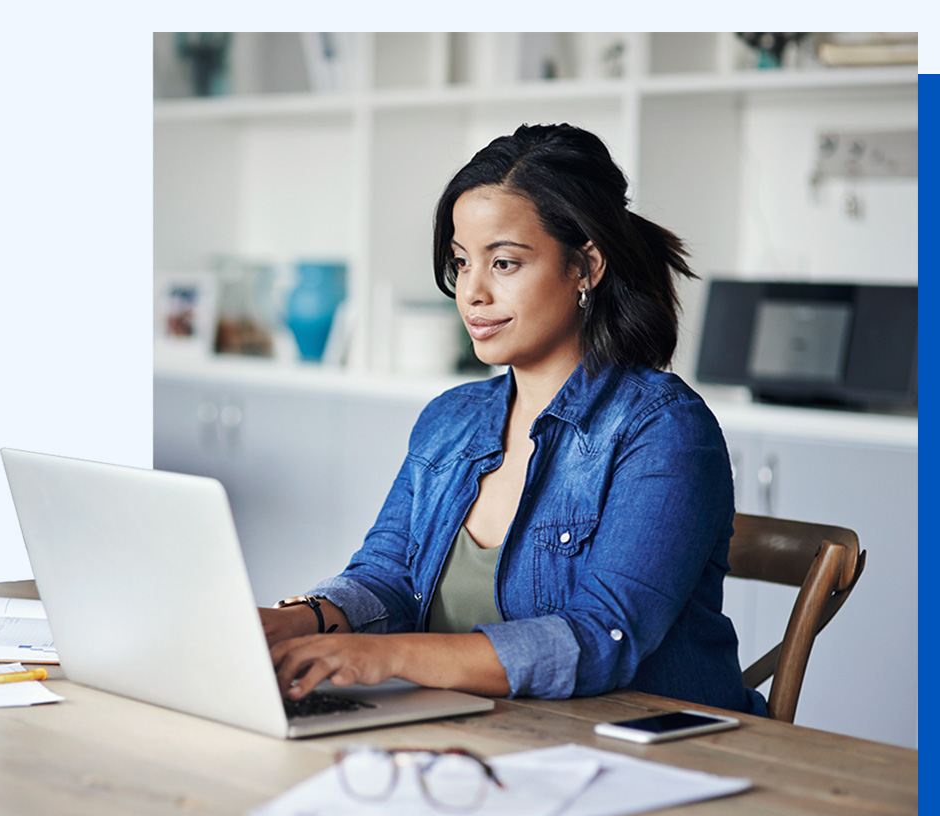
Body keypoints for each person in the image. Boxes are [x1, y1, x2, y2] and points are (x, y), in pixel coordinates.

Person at [264, 122, 767, 716]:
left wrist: (388, 657)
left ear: (585, 267)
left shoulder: (662, 430)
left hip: (647, 756)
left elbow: (602, 637)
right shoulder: (450, 420)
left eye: (503, 263)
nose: (472, 292)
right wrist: (297, 621)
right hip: (490, 736)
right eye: (460, 262)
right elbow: (388, 577)